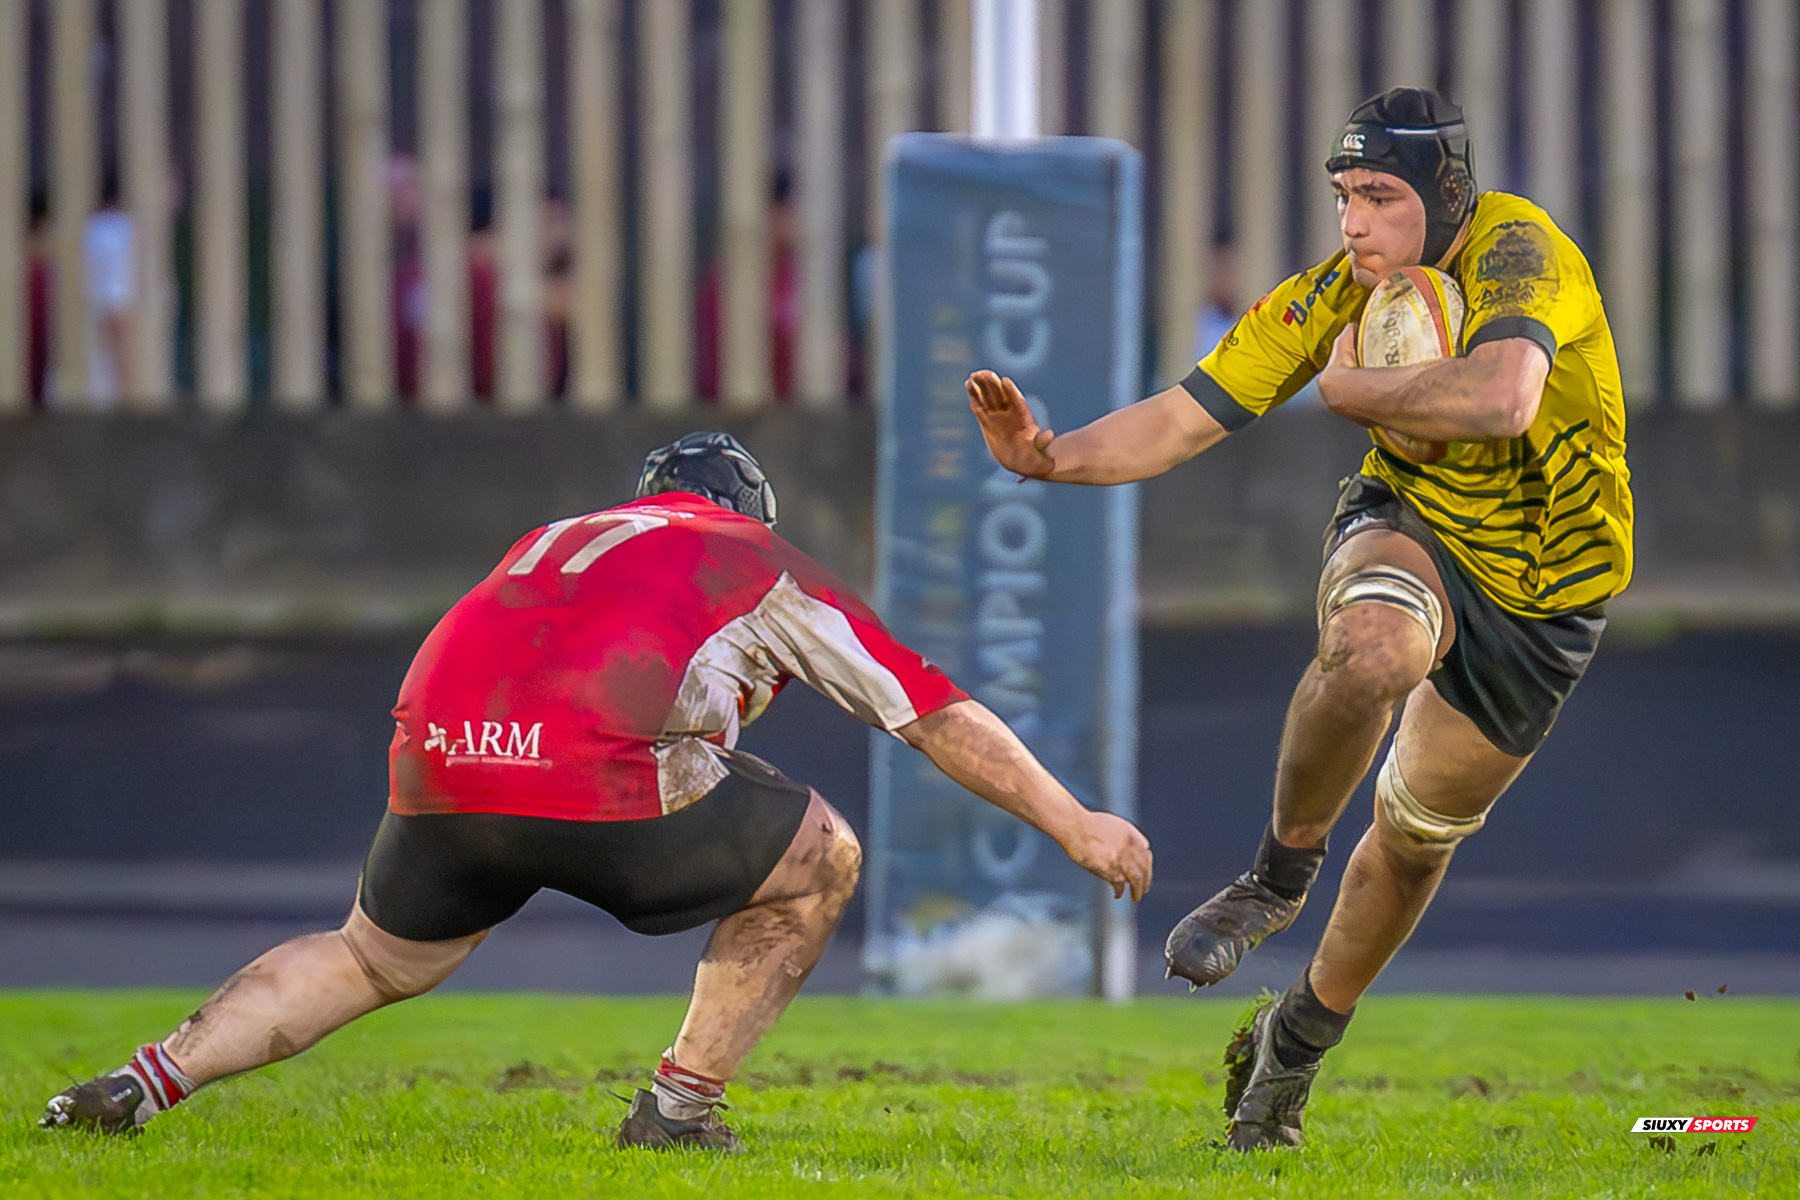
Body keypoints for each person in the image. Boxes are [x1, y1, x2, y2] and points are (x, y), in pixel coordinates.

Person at [39, 432, 1151, 1151]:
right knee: (821, 858)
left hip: (437, 761)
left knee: (371, 956)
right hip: (596, 773)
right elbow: (929, 711)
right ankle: (678, 1111)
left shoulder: (557, 536)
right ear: (746, 509)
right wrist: (1074, 821)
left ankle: (145, 1081)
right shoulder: (751, 556)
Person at [966, 87, 1630, 1150]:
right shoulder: (1336, 294)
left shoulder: (1520, 251)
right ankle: (1274, 878)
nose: (1353, 221)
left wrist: (1356, 395)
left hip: (1550, 591)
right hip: (1412, 524)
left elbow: (1503, 399)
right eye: (1342, 196)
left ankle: (1292, 1046)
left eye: (1378, 195)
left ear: (1447, 194)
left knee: (1413, 843)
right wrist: (1050, 458)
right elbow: (1184, 418)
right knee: (1371, 649)